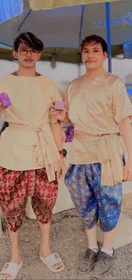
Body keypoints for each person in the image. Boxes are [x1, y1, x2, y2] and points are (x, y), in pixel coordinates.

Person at [51, 35, 132, 278]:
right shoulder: (74, 85)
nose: (90, 55)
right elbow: (69, 118)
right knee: (83, 201)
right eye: (86, 50)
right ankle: (91, 247)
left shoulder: (114, 83)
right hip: (79, 151)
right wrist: (61, 117)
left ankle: (107, 249)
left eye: (95, 50)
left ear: (104, 56)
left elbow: (124, 122)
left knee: (109, 201)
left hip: (107, 151)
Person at [0, 32, 66, 280]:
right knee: (11, 206)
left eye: (33, 50)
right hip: (12, 151)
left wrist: (60, 155)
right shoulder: (3, 82)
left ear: (39, 54)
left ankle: (45, 250)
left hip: (44, 150)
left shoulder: (49, 85)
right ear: (15, 53)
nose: (28, 54)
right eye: (23, 49)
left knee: (46, 203)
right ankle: (15, 256)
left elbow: (56, 121)